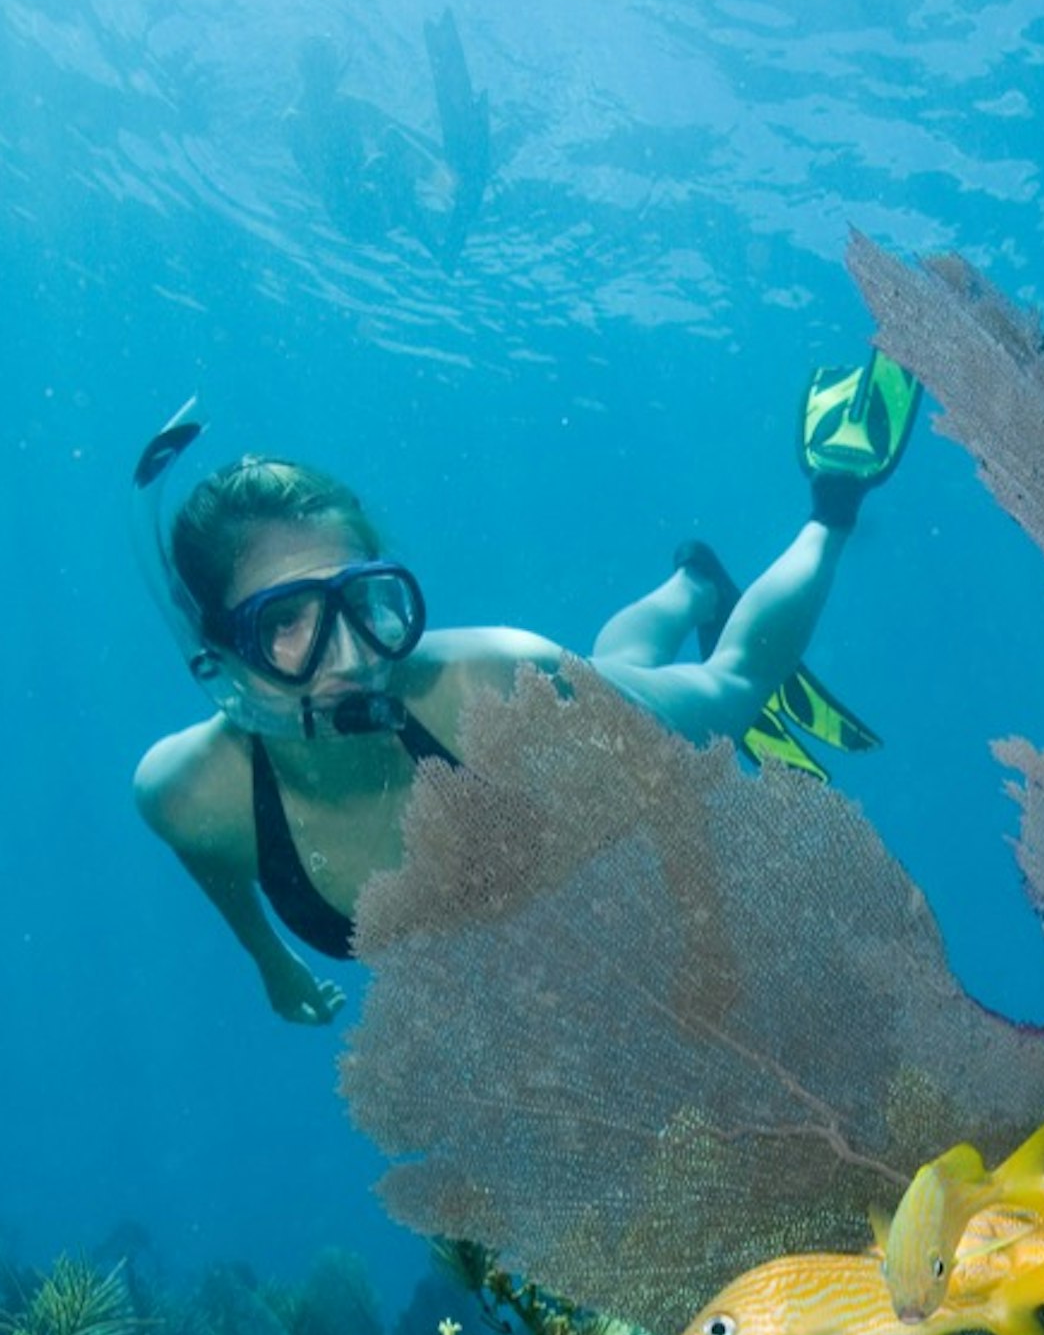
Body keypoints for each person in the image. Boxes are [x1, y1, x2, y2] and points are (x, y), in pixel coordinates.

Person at [129, 354, 919, 1024]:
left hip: (570, 747)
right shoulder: (187, 794)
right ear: (219, 652)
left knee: (732, 685)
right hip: (551, 738)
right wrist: (273, 964)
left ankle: (834, 502)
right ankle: (691, 587)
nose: (348, 652)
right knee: (619, 666)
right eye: (286, 622)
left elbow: (667, 788)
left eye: (365, 602)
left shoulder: (497, 681)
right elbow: (221, 865)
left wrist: (705, 937)